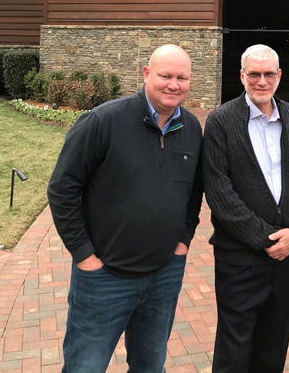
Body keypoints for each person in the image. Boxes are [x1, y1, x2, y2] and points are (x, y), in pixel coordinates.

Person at [48, 44, 203, 373]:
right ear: (146, 74)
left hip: (164, 274)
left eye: (182, 78)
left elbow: (194, 192)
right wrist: (84, 255)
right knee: (84, 367)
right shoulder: (102, 121)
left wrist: (183, 241)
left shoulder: (191, 128)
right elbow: (63, 188)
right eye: (165, 76)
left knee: (151, 365)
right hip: (104, 276)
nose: (173, 85)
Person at [203, 43, 289, 373]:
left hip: (286, 258)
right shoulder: (221, 121)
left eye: (269, 73)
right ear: (242, 76)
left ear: (279, 75)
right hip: (239, 259)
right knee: (234, 349)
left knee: (273, 346)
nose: (261, 80)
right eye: (254, 74)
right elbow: (219, 193)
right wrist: (269, 239)